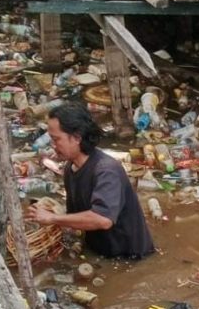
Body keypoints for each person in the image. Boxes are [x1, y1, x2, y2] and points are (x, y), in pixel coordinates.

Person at [25, 102, 154, 259]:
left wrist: (52, 218)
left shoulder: (106, 170)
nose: (52, 145)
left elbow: (103, 219)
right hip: (99, 251)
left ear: (76, 138)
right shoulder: (70, 168)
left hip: (129, 257)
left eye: (56, 139)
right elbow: (76, 217)